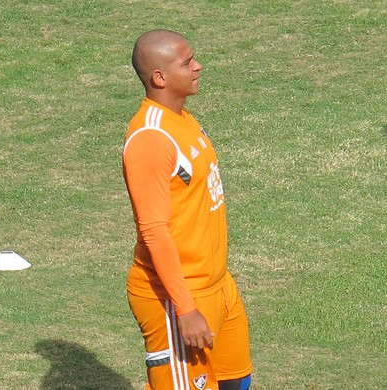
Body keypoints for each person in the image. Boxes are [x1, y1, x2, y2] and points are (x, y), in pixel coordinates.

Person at [122, 29, 253, 390]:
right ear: (159, 77)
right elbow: (153, 230)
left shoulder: (185, 122)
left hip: (217, 285)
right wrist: (184, 308)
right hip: (176, 297)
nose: (198, 66)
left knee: (235, 382)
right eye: (187, 62)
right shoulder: (151, 139)